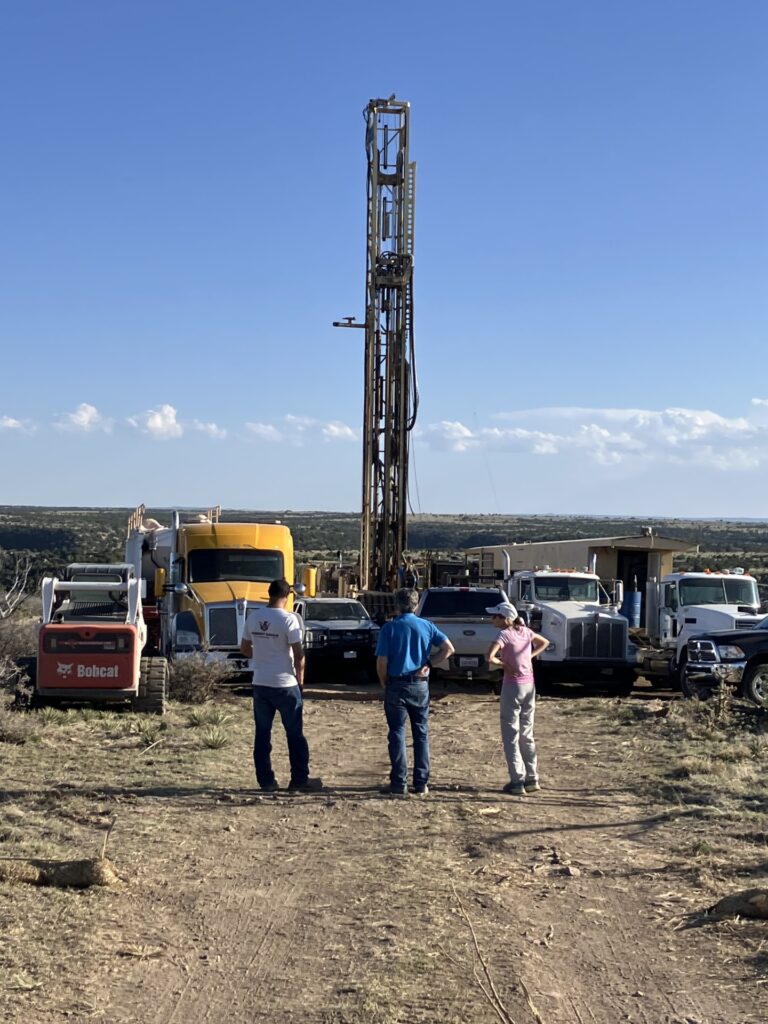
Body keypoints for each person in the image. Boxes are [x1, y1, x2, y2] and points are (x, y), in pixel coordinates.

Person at [240, 579, 322, 793]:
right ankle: (299, 779)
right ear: (287, 596)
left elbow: (245, 648)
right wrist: (301, 680)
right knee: (295, 734)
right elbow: (299, 654)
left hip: (260, 681)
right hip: (285, 683)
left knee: (262, 734)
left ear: (269, 594)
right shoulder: (289, 620)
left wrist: (262, 654)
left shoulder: (254, 617)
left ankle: (266, 781)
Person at [375, 589, 455, 797]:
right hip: (419, 684)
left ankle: (399, 782)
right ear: (416, 605)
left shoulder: (389, 628)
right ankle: (421, 782)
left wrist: (383, 682)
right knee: (421, 734)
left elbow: (382, 661)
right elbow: (448, 648)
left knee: (397, 733)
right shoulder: (427, 626)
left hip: (396, 684)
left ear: (397, 605)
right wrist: (430, 663)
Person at [485, 601, 549, 797]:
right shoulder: (525, 631)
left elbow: (489, 657)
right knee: (526, 732)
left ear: (504, 618)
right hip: (529, 685)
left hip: (512, 686)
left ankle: (517, 781)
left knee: (510, 734)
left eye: (495, 616)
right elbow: (544, 642)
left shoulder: (503, 634)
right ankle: (532, 777)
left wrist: (503, 664)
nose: (492, 619)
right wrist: (529, 656)